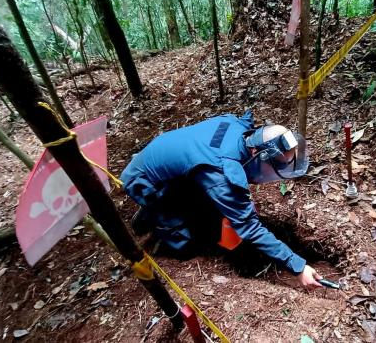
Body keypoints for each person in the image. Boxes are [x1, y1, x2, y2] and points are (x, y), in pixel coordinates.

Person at [120, 110, 322, 289]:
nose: (281, 172)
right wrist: (297, 266)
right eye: (279, 166)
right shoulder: (222, 175)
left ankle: (168, 204)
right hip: (144, 180)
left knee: (210, 207)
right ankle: (153, 215)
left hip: (171, 163)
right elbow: (249, 227)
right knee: (186, 245)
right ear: (256, 152)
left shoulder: (238, 129)